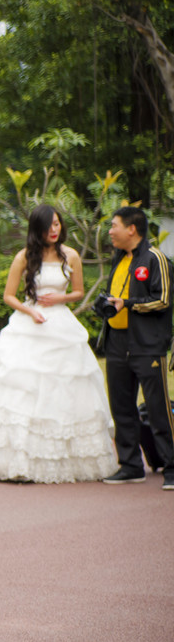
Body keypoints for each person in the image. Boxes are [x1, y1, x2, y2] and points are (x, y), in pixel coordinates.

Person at [0, 204, 116, 483]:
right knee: (26, 388)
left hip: (61, 324)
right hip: (30, 323)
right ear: (37, 229)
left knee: (66, 386)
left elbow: (77, 292)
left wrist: (58, 299)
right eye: (48, 226)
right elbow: (9, 296)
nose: (54, 230)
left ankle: (69, 458)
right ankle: (20, 460)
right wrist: (30, 311)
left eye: (56, 224)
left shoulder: (71, 255)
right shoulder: (24, 257)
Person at [99, 205, 174, 489]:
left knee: (157, 408)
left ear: (132, 228)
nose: (110, 231)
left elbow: (164, 299)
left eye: (114, 225)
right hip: (117, 343)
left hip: (147, 344)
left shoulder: (155, 258)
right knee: (122, 407)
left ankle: (171, 467)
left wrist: (127, 304)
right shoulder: (120, 260)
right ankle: (130, 465)